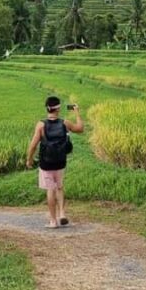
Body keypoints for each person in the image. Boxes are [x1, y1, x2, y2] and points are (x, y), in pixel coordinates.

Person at [26, 96, 84, 229]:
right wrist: (77, 113)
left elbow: (33, 145)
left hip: (46, 163)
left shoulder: (41, 125)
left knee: (50, 190)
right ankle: (62, 214)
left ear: (47, 108)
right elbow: (80, 129)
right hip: (60, 161)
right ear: (58, 109)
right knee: (59, 187)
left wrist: (29, 159)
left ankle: (53, 221)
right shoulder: (65, 123)